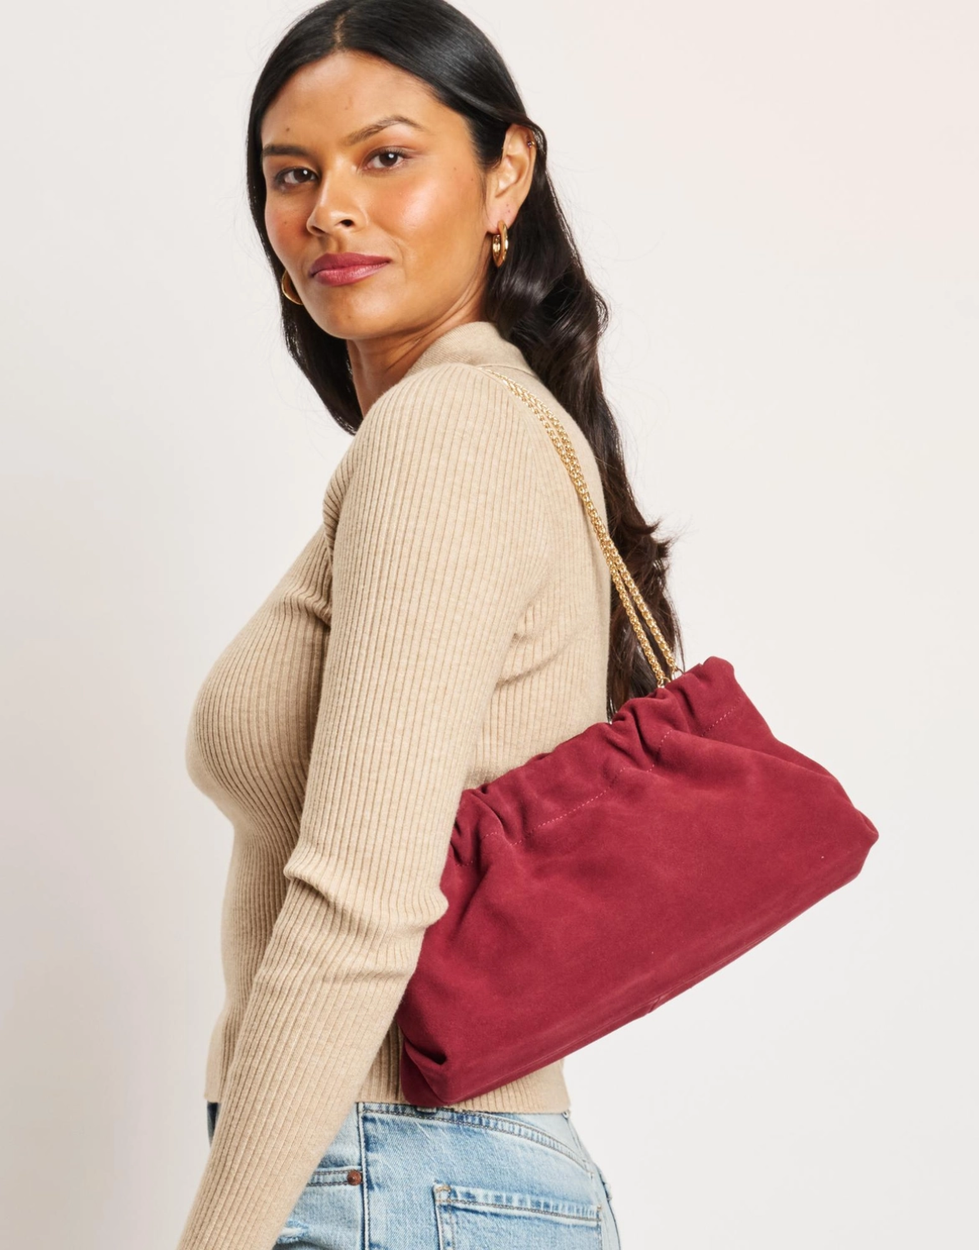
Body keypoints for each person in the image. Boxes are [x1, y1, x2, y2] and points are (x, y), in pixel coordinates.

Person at [175, 1, 682, 1246]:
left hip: (389, 1173)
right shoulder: (489, 420)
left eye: (386, 156)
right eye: (292, 174)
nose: (329, 209)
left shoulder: (447, 430)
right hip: (419, 1179)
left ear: (506, 174)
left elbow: (360, 901)